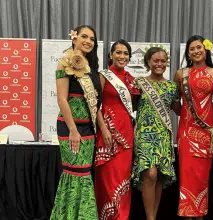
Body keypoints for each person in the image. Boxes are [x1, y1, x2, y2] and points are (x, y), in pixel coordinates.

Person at [50, 25, 101, 220]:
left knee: (84, 173)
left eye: (92, 39)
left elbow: (96, 102)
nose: (88, 41)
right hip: (70, 127)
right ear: (74, 38)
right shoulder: (63, 63)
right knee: (74, 173)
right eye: (84, 37)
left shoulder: (91, 66)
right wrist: (72, 129)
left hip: (88, 128)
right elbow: (62, 99)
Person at [173, 35, 213, 220]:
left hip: (207, 131)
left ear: (206, 50)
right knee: (187, 177)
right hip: (187, 132)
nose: (196, 51)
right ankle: (188, 216)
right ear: (188, 53)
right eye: (192, 49)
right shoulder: (181, 74)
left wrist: (207, 109)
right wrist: (188, 112)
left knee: (202, 178)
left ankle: (200, 215)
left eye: (199, 48)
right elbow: (176, 104)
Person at [132, 47, 181, 220]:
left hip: (163, 135)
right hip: (144, 135)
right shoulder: (138, 83)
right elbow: (129, 106)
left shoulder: (171, 86)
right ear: (148, 62)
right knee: (150, 173)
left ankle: (152, 216)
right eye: (155, 60)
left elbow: (180, 111)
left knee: (159, 175)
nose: (159, 64)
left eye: (163, 61)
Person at [94, 39, 140, 220]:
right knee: (107, 181)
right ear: (111, 55)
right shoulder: (103, 76)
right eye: (118, 52)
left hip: (126, 135)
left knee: (123, 182)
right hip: (108, 134)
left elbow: (135, 107)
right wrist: (104, 129)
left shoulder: (131, 79)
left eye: (126, 53)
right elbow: (95, 106)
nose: (122, 56)